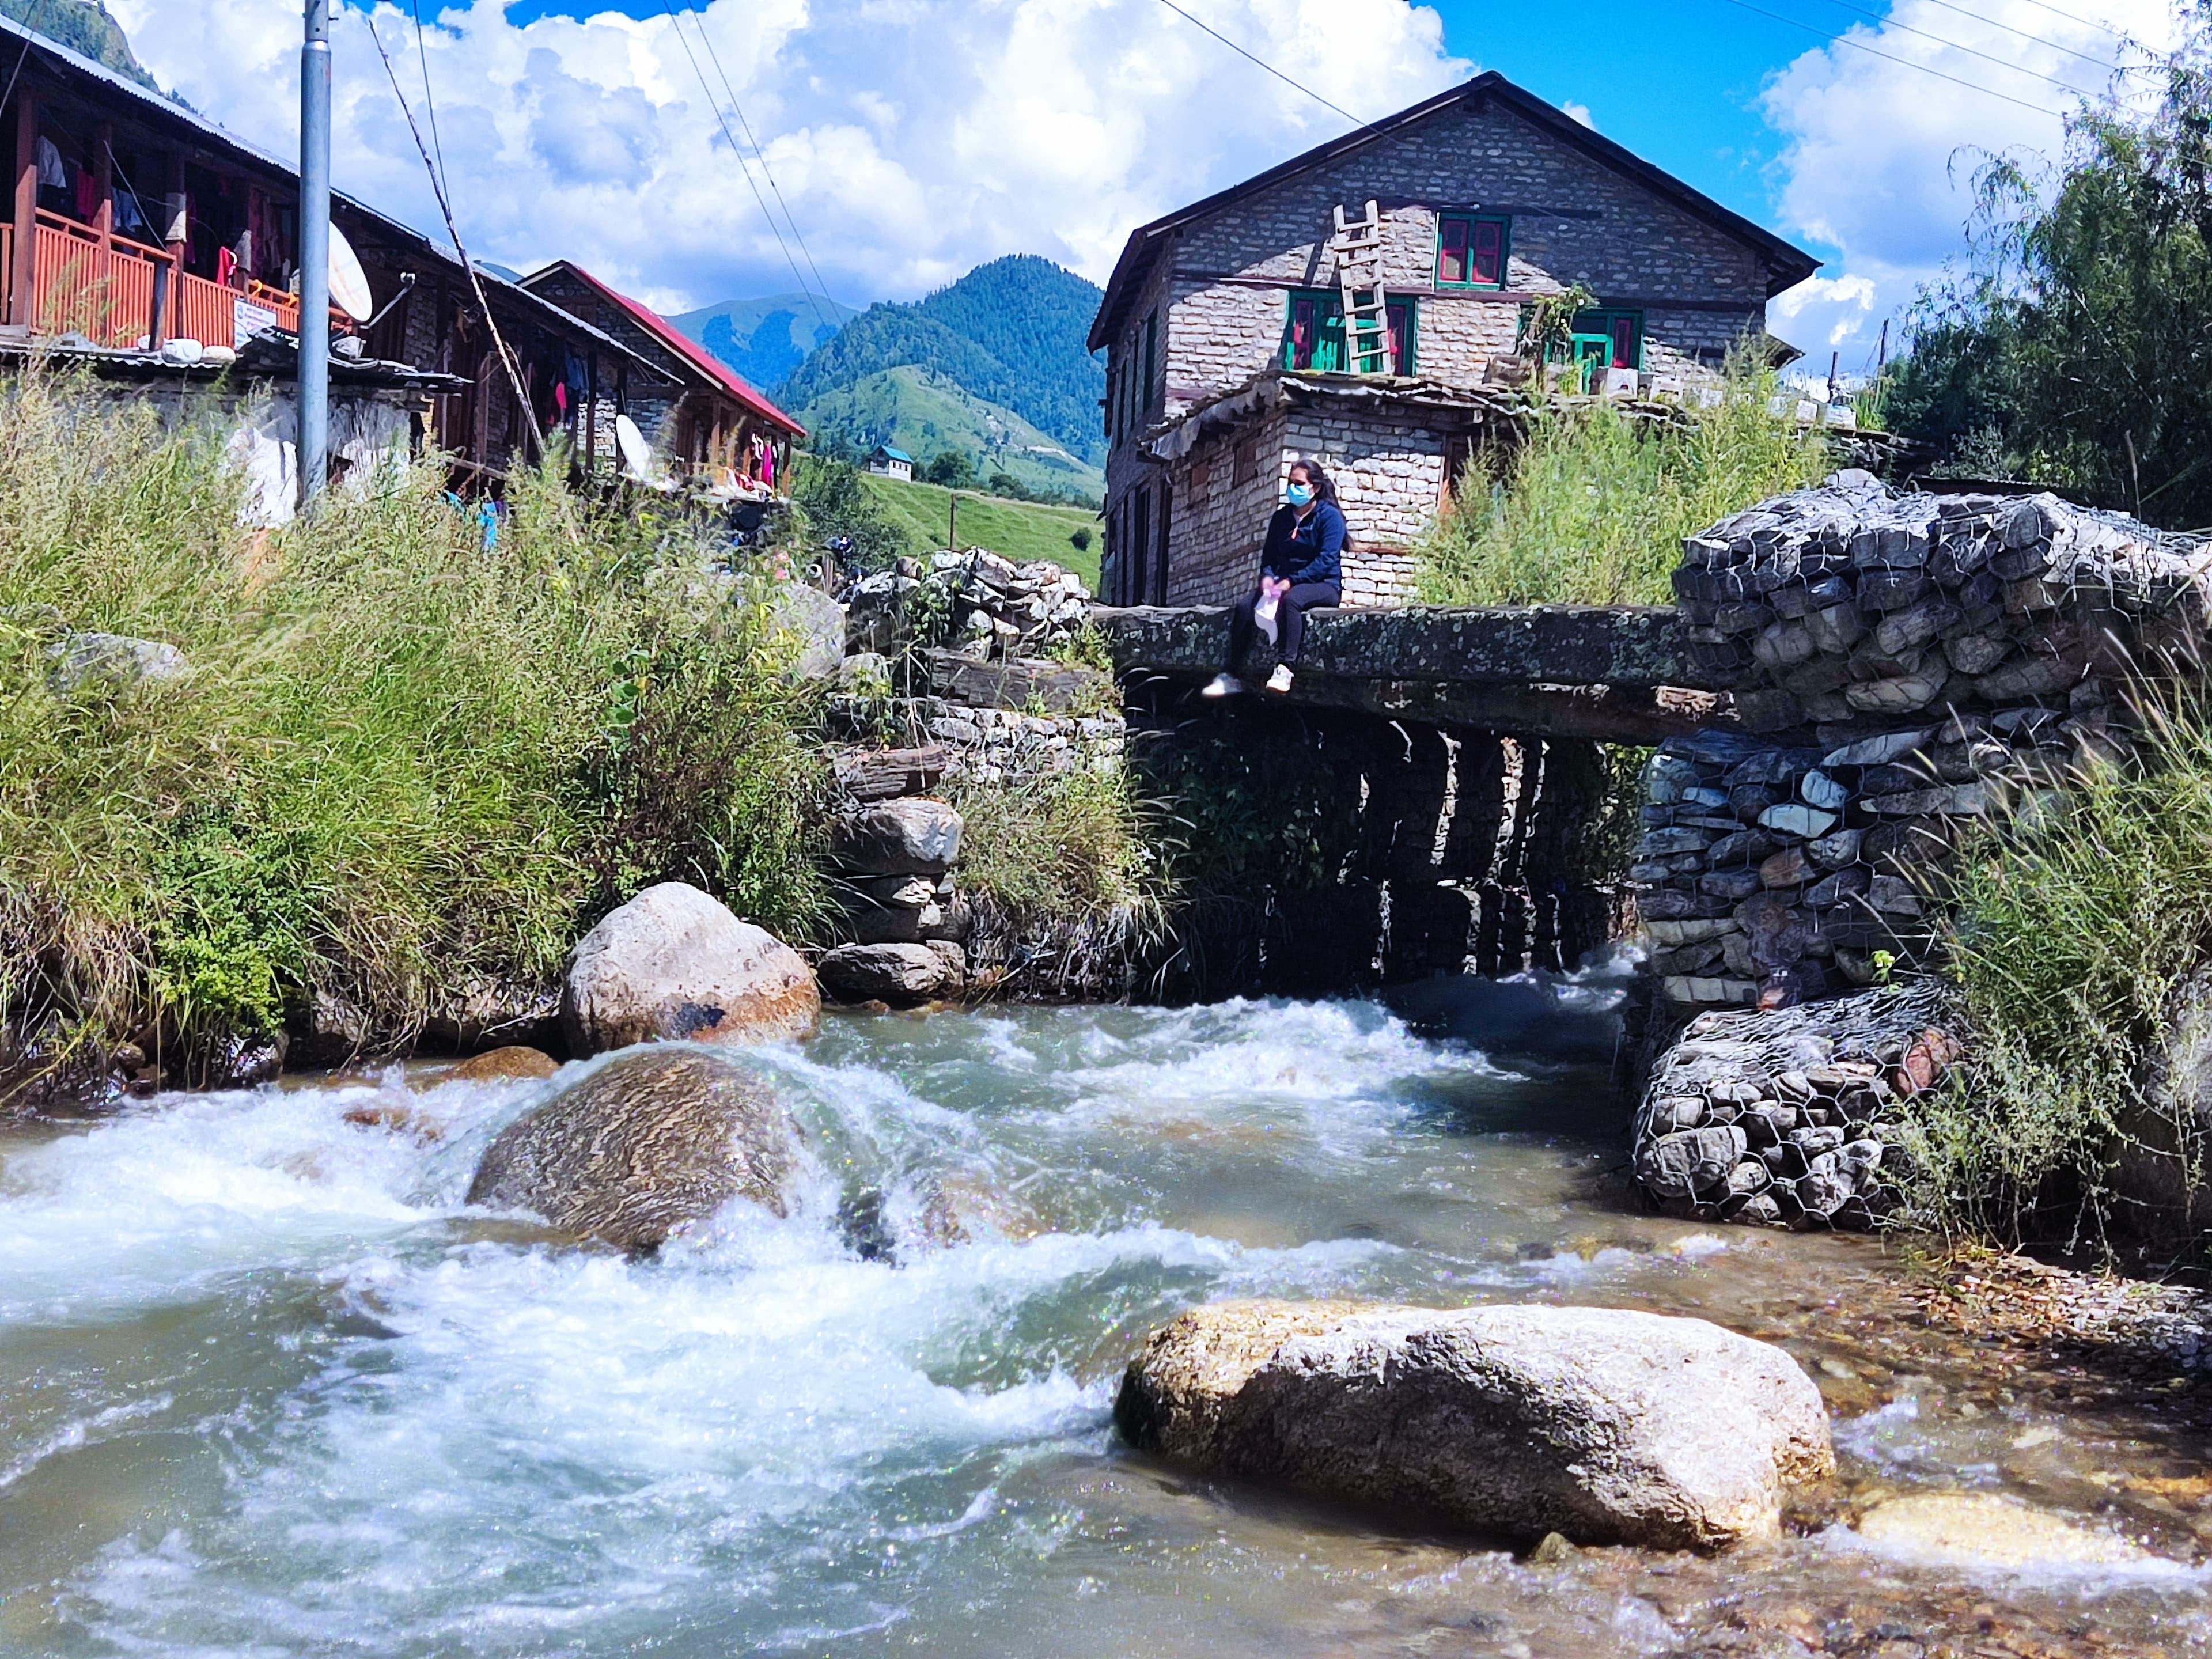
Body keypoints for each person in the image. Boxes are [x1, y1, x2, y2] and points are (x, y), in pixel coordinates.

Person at [1204, 459, 1344, 696]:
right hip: (1282, 583)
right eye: (1291, 483)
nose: (1293, 489)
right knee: (1245, 607)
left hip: (1322, 585)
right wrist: (1268, 579)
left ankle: (1285, 667)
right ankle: (1231, 674)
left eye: (1299, 484)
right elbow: (1269, 557)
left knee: (1292, 601)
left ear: (1316, 487)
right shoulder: (1281, 518)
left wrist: (1292, 581)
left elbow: (1326, 560)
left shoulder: (1330, 518)